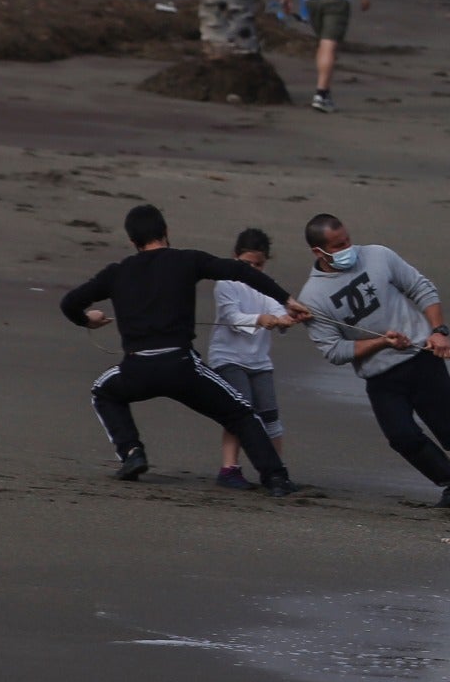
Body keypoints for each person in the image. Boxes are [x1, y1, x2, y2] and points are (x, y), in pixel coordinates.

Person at [60, 205, 311, 496]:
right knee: (241, 413)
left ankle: (131, 452)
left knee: (103, 391)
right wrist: (285, 299)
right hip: (182, 367)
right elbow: (240, 270)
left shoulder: (117, 273)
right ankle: (276, 478)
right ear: (166, 232)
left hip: (137, 369)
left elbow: (70, 303)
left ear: (132, 241)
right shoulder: (187, 260)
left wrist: (86, 320)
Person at [297, 214, 450, 511]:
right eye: (338, 246)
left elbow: (422, 288)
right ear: (318, 252)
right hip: (380, 377)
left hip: (421, 358)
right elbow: (334, 351)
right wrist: (381, 342)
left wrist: (439, 332)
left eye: (347, 240)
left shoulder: (378, 255)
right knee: (401, 437)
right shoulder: (312, 297)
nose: (349, 248)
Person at [208, 228, 296, 490]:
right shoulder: (225, 282)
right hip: (227, 357)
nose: (252, 269)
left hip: (259, 360)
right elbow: (233, 318)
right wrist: (260, 319)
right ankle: (229, 469)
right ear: (235, 257)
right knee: (241, 410)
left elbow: (278, 310)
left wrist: (286, 319)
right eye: (246, 264)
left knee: (270, 416)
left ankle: (276, 471)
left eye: (258, 265)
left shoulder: (266, 285)